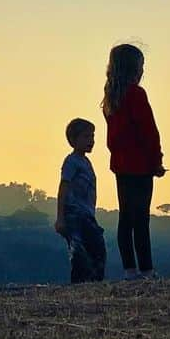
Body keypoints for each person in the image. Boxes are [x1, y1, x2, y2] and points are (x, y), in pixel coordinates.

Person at [101, 44, 166, 280]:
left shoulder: (111, 97)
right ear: (134, 69)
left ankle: (130, 269)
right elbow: (149, 131)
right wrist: (156, 160)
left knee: (126, 218)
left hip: (120, 165)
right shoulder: (136, 95)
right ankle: (147, 269)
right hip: (140, 165)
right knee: (141, 219)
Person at [55, 118, 106, 283]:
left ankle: (93, 284)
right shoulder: (71, 162)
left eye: (92, 137)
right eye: (86, 137)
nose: (91, 141)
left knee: (98, 250)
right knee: (78, 254)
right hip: (74, 215)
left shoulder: (86, 162)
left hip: (87, 215)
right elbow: (63, 188)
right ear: (73, 139)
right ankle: (79, 285)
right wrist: (60, 218)